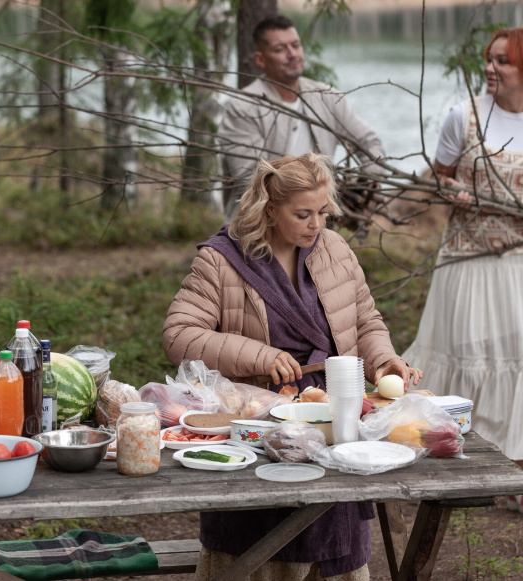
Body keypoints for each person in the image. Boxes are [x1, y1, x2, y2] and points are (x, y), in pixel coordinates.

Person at [163, 153, 421, 580]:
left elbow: (365, 321)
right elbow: (179, 335)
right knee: (258, 534)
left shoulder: (335, 250)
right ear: (269, 209)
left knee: (333, 524)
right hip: (257, 420)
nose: (316, 224)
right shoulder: (221, 261)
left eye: (323, 212)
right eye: (303, 214)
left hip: (335, 416)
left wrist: (383, 360)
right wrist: (261, 356)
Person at [402, 28, 523, 509]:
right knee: (466, 352)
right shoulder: (464, 115)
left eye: (503, 61)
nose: (491, 68)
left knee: (516, 356)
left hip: (517, 261)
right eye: (489, 59)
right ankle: (457, 461)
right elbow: (439, 178)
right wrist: (452, 192)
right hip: (467, 257)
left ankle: (515, 465)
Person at [218, 15, 385, 221]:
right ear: (260, 59)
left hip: (316, 227)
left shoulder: (327, 97)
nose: (292, 54)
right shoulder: (242, 107)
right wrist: (314, 185)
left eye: (296, 45)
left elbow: (369, 142)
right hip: (257, 227)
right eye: (280, 49)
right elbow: (249, 180)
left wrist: (370, 180)